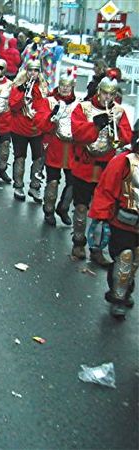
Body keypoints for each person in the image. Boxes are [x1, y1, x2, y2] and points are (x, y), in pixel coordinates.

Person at [70, 76, 132, 264]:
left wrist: (116, 130)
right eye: (105, 93)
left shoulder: (119, 111)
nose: (107, 97)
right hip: (85, 164)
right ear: (99, 91)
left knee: (103, 211)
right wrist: (96, 125)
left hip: (106, 168)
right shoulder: (84, 108)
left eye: (111, 94)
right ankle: (78, 242)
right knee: (81, 207)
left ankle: (97, 248)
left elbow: (127, 136)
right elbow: (78, 133)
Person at [88, 119, 139, 319]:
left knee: (135, 260)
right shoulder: (123, 161)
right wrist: (100, 218)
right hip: (123, 221)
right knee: (124, 258)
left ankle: (126, 290)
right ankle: (117, 297)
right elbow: (105, 190)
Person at [34, 68, 78, 226]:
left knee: (73, 183)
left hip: (72, 149)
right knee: (53, 181)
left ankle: (63, 208)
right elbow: (40, 123)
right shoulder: (49, 101)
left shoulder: (79, 104)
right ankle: (49, 210)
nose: (65, 88)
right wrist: (51, 116)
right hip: (54, 146)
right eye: (62, 85)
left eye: (68, 86)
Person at [9, 59, 49, 202]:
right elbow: (13, 106)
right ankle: (18, 186)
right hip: (19, 128)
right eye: (30, 70)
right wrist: (22, 92)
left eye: (36, 71)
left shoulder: (43, 87)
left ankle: (35, 186)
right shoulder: (18, 86)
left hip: (37, 129)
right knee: (20, 157)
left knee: (39, 159)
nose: (33, 73)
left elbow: (46, 107)